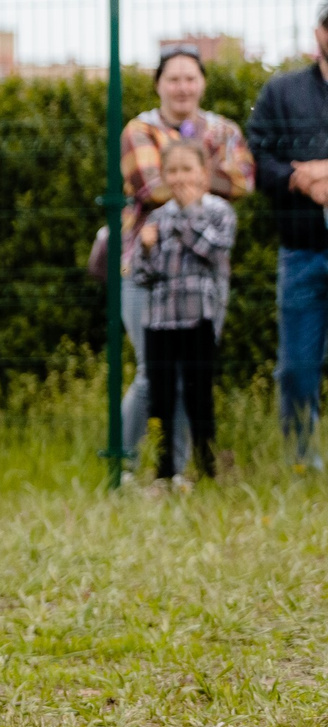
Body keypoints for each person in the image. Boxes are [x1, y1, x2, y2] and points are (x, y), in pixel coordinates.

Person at [117, 49, 252, 471]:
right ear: (158, 84)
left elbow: (244, 180)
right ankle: (122, 462)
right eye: (173, 79)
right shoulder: (139, 129)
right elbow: (150, 188)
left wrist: (183, 176)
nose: (182, 87)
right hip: (149, 272)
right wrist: (204, 173)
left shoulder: (225, 128)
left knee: (192, 375)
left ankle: (177, 470)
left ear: (203, 83)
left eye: (190, 78)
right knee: (151, 375)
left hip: (205, 279)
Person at [247, 1, 328, 465]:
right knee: (297, 367)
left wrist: (323, 170)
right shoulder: (281, 91)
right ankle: (302, 462)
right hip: (302, 251)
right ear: (318, 31)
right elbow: (256, 159)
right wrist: (299, 179)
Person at [130, 138, 235, 482]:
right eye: (172, 170)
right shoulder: (156, 218)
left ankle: (207, 469)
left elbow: (214, 251)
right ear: (163, 175)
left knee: (198, 394)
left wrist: (190, 213)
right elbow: (142, 274)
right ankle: (164, 471)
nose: (179, 178)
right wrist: (146, 250)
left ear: (204, 173)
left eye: (187, 169)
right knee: (160, 397)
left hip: (199, 318)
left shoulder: (218, 212)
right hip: (159, 320)